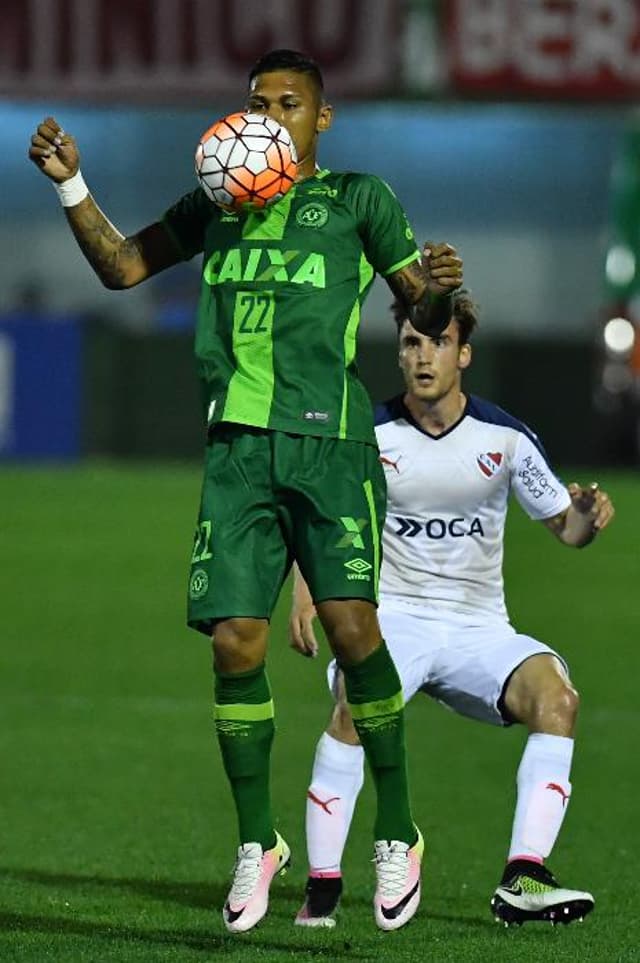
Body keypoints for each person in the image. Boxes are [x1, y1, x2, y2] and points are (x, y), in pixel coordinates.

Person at [28, 49, 463, 933]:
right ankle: (259, 841)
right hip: (236, 452)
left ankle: (399, 828)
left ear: (321, 119)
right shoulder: (216, 204)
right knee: (233, 642)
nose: (269, 115)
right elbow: (121, 266)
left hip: (328, 447)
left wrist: (438, 287)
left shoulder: (356, 201)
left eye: (289, 102)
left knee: (352, 631)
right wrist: (74, 186)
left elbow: (419, 306)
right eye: (257, 101)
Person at [290, 289, 615, 929]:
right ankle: (322, 889)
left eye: (437, 342)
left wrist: (586, 517)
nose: (423, 355)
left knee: (558, 700)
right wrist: (304, 589)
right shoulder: (367, 434)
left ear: (463, 353)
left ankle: (524, 876)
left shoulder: (507, 439)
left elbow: (567, 529)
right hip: (394, 621)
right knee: (355, 707)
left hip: (478, 630)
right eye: (412, 341)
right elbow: (320, 515)